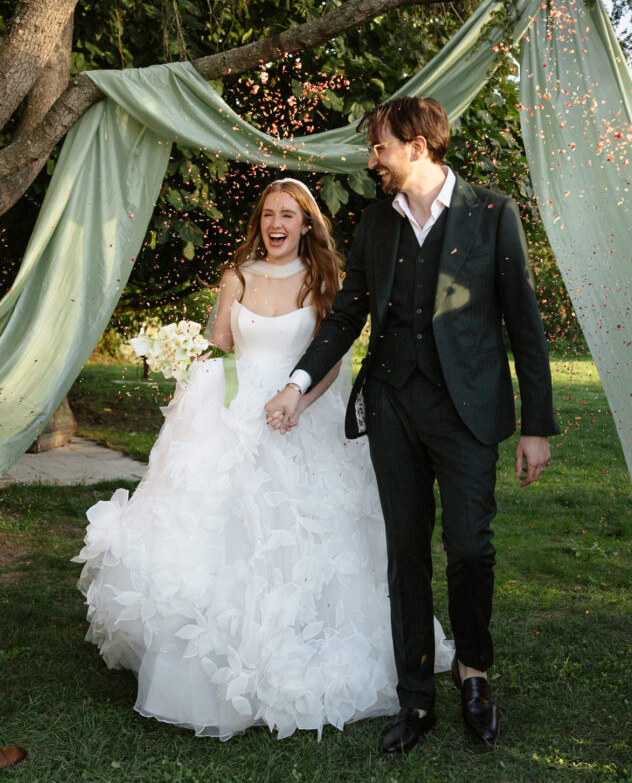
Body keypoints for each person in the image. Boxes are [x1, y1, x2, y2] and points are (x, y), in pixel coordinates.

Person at [74, 178, 452, 741]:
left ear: (305, 224)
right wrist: (184, 351)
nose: (277, 223)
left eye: (288, 215)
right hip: (237, 415)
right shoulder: (237, 277)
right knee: (220, 527)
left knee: (312, 533)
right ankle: (213, 662)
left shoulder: (324, 280)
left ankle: (303, 650)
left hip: (302, 411)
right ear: (261, 222)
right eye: (269, 214)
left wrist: (300, 403)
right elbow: (223, 345)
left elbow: (332, 354)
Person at [266, 98, 560, 754]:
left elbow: (523, 323)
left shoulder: (491, 214)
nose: (372, 159)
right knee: (403, 551)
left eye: (380, 148)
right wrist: (295, 384)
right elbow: (345, 317)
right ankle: (415, 698)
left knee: (469, 549)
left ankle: (473, 672)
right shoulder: (376, 222)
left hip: (466, 411)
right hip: (393, 405)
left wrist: (536, 424)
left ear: (417, 147)